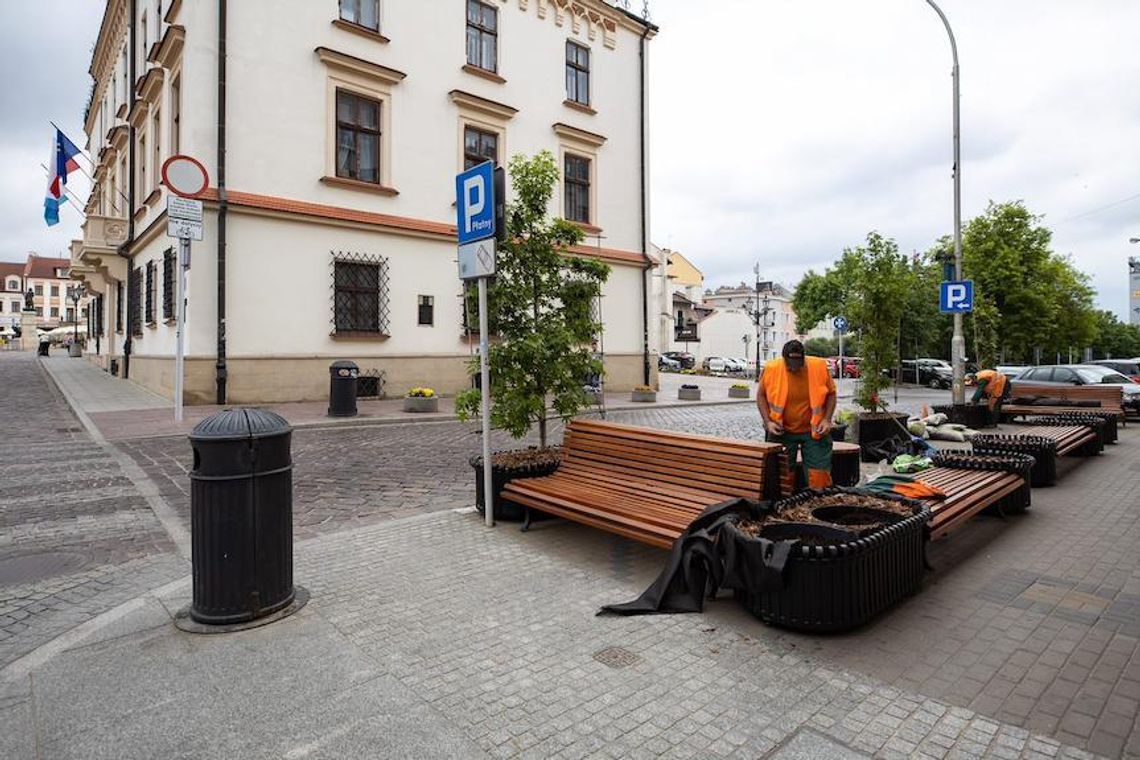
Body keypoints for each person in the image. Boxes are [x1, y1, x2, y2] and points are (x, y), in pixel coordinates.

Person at [756, 340, 838, 489]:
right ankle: (785, 506)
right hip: (781, 431)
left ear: (803, 358)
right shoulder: (772, 369)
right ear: (784, 359)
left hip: (814, 431)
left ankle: (817, 502)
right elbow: (761, 395)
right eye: (790, 364)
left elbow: (831, 394)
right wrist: (768, 422)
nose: (794, 368)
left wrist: (827, 419)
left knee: (819, 478)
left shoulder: (818, 367)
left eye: (797, 363)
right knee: (781, 478)